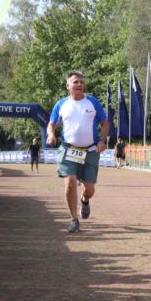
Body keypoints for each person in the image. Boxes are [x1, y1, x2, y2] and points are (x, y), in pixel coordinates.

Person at [47, 70, 109, 233]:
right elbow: (51, 124)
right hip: (68, 149)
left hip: (90, 151)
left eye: (81, 82)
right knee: (70, 183)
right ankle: (74, 220)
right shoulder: (61, 104)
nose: (79, 84)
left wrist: (102, 140)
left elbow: (105, 123)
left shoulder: (92, 102)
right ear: (68, 86)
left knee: (89, 189)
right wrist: (51, 135)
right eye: (75, 82)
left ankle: (84, 200)